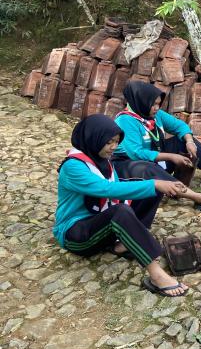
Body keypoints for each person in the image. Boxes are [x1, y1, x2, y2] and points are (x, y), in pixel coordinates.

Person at [53, 114, 189, 297]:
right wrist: (155, 183)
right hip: (76, 234)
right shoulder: (73, 166)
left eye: (116, 142)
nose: (114, 147)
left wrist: (157, 185)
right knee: (123, 209)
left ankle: (126, 242)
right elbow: (106, 189)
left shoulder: (103, 161)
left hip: (102, 226)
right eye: (109, 142)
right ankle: (157, 275)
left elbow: (119, 187)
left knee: (149, 189)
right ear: (94, 138)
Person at [113, 81, 201, 212]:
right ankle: (198, 198)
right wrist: (171, 157)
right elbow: (136, 153)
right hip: (131, 166)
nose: (157, 108)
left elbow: (179, 126)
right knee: (149, 168)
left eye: (158, 104)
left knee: (183, 141)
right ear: (142, 102)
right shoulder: (125, 120)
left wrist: (189, 141)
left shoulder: (155, 115)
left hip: (156, 157)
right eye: (153, 104)